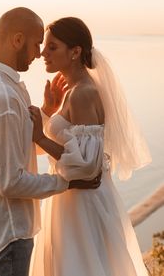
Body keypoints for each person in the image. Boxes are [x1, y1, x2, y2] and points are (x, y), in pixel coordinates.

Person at [0, 7, 101, 276]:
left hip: (6, 229)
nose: (39, 53)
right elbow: (11, 182)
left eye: (46, 46)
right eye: (37, 43)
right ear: (17, 40)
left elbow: (18, 145)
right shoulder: (2, 97)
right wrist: (67, 182)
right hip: (11, 233)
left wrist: (46, 113)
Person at [29, 17, 152, 276]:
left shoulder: (84, 93)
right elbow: (63, 148)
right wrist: (49, 110)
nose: (42, 53)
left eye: (52, 47)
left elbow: (87, 166)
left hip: (82, 204)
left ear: (75, 52)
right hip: (69, 200)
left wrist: (41, 136)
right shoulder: (72, 90)